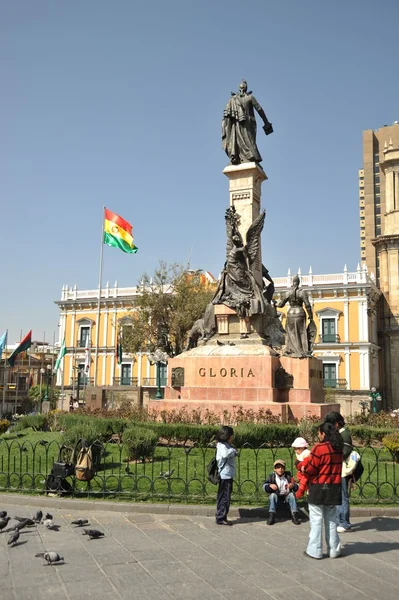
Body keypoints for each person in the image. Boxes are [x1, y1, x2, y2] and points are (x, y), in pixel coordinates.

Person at [301, 422, 343, 559]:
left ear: (323, 434)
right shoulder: (338, 447)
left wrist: (303, 468)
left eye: (319, 433)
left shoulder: (320, 448)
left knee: (316, 520)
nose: (318, 436)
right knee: (331, 520)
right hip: (334, 487)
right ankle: (334, 549)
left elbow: (311, 467)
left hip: (319, 487)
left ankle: (315, 550)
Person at [222, 80, 273, 165]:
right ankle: (249, 156)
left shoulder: (234, 99)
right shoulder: (249, 98)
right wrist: (266, 122)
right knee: (249, 141)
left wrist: (266, 122)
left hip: (238, 123)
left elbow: (259, 109)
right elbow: (260, 110)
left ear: (240, 88)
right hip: (247, 122)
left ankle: (238, 156)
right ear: (246, 88)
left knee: (244, 140)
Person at [324, 411, 353, 533]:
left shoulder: (344, 434)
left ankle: (344, 522)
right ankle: (340, 520)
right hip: (338, 469)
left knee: (342, 496)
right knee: (339, 495)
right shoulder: (340, 433)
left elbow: (345, 451)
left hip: (342, 470)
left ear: (336, 424)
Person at [277, 275, 316, 358]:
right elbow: (307, 305)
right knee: (301, 332)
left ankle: (291, 350)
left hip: (290, 313)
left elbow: (281, 305)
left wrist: (274, 304)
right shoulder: (302, 292)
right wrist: (311, 316)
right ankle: (302, 351)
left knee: (290, 333)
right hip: (300, 313)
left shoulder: (288, 293)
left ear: (292, 282)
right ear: (298, 283)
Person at [263, 460, 301, 525]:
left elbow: (297, 485)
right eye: (278, 467)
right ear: (275, 469)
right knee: (272, 495)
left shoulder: (288, 476)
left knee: (292, 495)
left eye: (282, 467)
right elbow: (264, 486)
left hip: (287, 500)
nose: (280, 469)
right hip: (276, 501)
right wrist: (270, 486)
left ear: (284, 469)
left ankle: (294, 515)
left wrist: (292, 485)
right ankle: (271, 516)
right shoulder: (272, 477)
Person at [215, 426, 238, 526]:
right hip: (225, 475)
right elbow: (225, 454)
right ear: (228, 436)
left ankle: (222, 516)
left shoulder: (226, 445)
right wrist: (233, 451)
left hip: (228, 474)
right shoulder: (222, 446)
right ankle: (221, 517)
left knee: (225, 496)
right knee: (225, 497)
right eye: (231, 435)